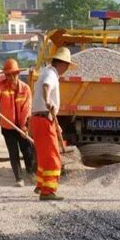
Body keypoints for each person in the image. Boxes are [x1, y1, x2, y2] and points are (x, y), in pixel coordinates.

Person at [30, 47, 75, 201]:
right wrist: (48, 100)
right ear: (61, 63)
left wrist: (56, 124)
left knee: (44, 156)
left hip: (41, 119)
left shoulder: (47, 72)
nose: (68, 68)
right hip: (43, 118)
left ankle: (41, 185)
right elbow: (46, 87)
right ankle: (48, 191)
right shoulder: (51, 74)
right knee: (52, 157)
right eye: (67, 65)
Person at [0, 59, 33, 186]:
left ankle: (31, 172)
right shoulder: (2, 86)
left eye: (13, 74)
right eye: (8, 74)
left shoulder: (25, 89)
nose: (11, 77)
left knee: (27, 150)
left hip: (23, 126)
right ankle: (19, 178)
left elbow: (26, 109)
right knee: (13, 153)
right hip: (8, 127)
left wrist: (23, 127)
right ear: (5, 75)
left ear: (18, 74)